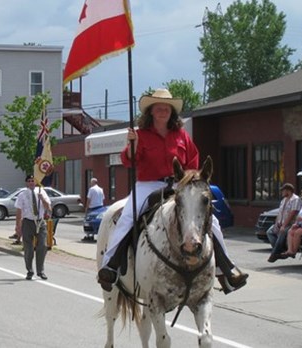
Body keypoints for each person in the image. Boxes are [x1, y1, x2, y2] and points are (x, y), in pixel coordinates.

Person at [97, 88, 248, 294]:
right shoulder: (140, 135)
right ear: (151, 112)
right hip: (148, 184)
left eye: (166, 108)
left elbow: (193, 162)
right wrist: (132, 145)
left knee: (211, 221)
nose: (162, 111)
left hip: (179, 185)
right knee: (128, 217)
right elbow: (128, 160)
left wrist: (189, 180)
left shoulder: (181, 135)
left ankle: (226, 269)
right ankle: (110, 265)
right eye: (158, 108)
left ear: (172, 112)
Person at [15, 175, 52, 280]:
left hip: (40, 222)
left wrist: (42, 199)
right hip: (28, 222)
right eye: (29, 181)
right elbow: (19, 211)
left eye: (33, 181)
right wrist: (18, 225)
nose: (31, 183)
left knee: (42, 246)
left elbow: (48, 208)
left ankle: (40, 271)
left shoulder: (42, 192)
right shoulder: (22, 195)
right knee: (28, 248)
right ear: (26, 183)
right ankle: (29, 270)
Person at [267, 183, 302, 262]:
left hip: (290, 224)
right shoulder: (283, 200)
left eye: (283, 191)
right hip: (281, 223)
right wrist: (276, 224)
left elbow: (292, 213)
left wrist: (284, 225)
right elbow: (280, 213)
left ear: (288, 191)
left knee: (281, 234)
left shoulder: (295, 199)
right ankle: (281, 251)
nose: (282, 193)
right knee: (269, 232)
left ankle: (274, 254)